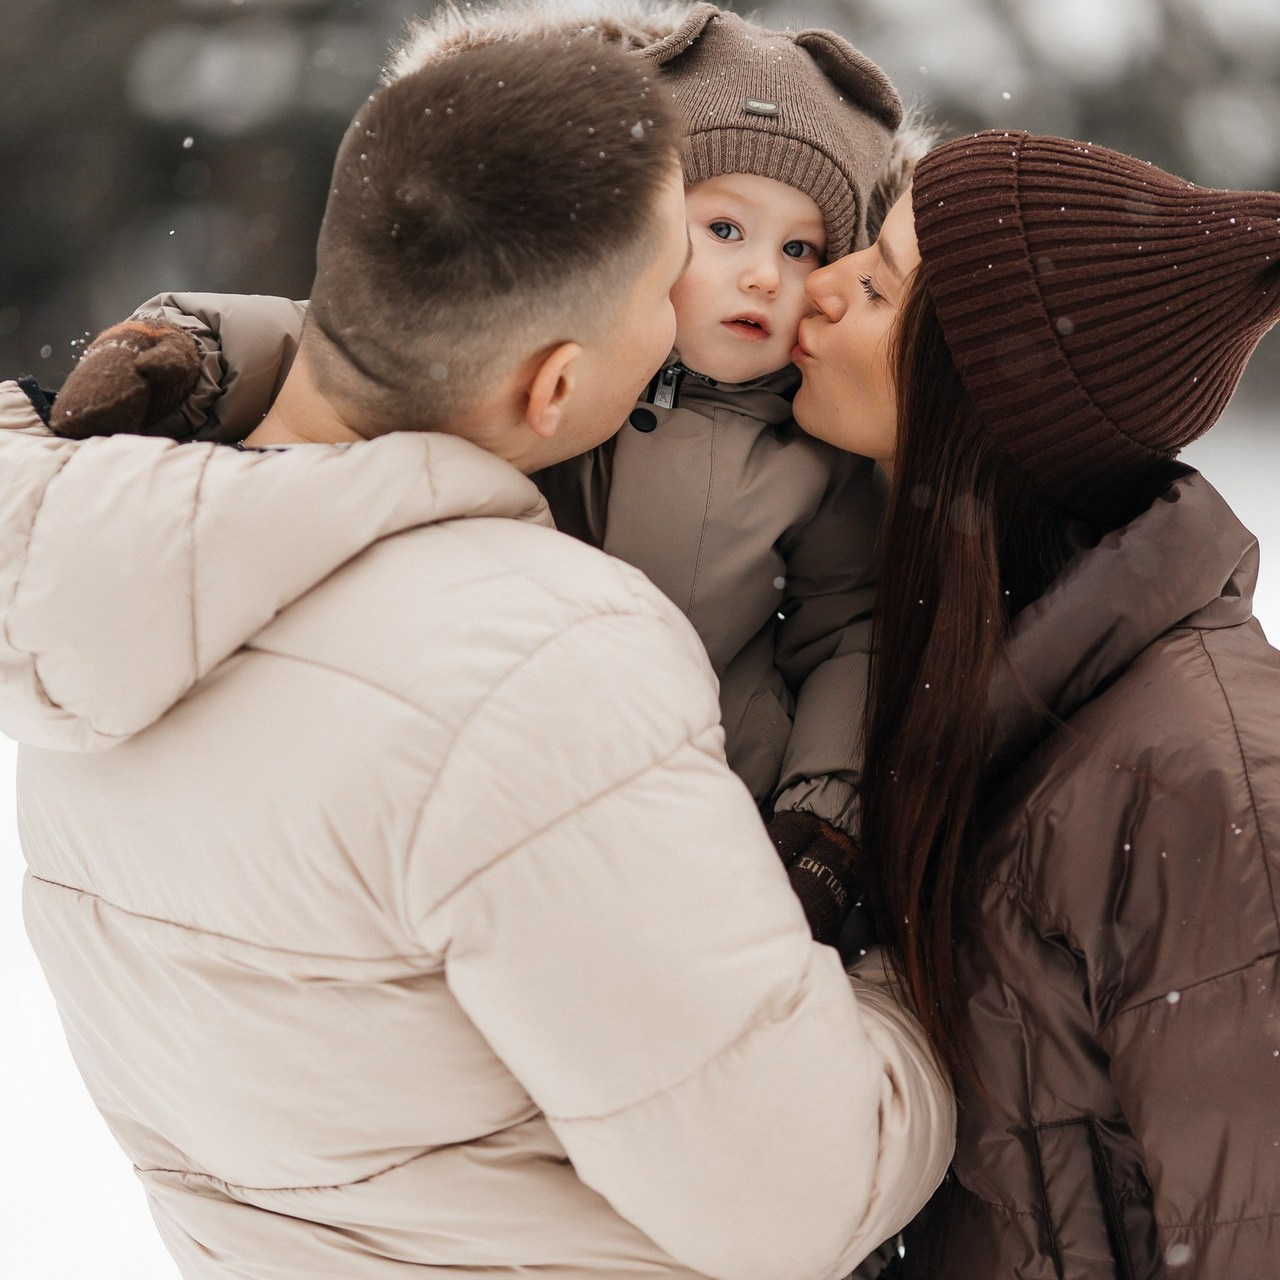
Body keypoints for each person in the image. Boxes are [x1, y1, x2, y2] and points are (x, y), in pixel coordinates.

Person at [0, 32, 955, 1280]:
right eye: (667, 274)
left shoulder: (100, 601)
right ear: (557, 387)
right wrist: (929, 993)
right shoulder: (541, 676)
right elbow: (798, 1190)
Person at [52, 0, 933, 951]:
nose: (764, 275)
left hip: (704, 778)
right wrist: (198, 347)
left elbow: (848, 637)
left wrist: (822, 817)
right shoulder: (558, 356)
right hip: (486, 736)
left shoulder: (812, 449)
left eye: (800, 249)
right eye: (723, 229)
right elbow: (365, 342)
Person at [790, 129, 1280, 1277]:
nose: (817, 285)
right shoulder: (955, 676)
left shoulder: (1202, 783)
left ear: (979, 403)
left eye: (876, 286)